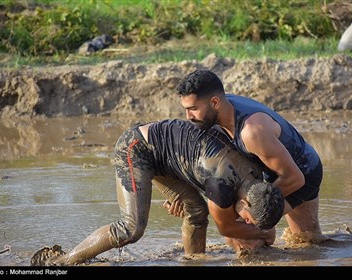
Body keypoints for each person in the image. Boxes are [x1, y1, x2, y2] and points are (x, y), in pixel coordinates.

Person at [33, 119, 284, 266]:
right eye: (249, 218)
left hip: (168, 154)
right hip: (137, 149)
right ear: (246, 201)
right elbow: (225, 226)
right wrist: (175, 196)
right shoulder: (221, 185)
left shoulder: (255, 173)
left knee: (195, 211)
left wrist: (176, 196)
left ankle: (194, 260)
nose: (245, 222)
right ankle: (61, 262)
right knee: (131, 228)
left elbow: (191, 167)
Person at [176, 70, 323, 237]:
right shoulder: (218, 111)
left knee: (237, 227)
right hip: (277, 171)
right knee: (308, 240)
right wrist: (183, 194)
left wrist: (246, 207)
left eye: (193, 109)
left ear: (215, 102)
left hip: (302, 173)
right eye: (186, 109)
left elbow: (295, 178)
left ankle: (266, 237)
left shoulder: (251, 132)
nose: (188, 116)